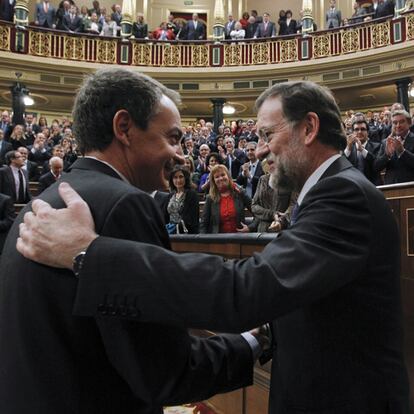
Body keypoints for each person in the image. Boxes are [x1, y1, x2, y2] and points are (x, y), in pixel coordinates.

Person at [17, 80, 410, 414]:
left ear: (309, 128)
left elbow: (245, 289)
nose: (257, 150)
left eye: (266, 134)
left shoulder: (344, 195)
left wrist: (91, 253)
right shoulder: (329, 193)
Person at [0, 68, 259, 413]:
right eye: (172, 137)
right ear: (124, 128)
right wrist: (253, 342)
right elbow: (164, 370)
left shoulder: (42, 203)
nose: (181, 154)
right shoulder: (125, 205)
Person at [200, 164, 251, 233]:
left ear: (228, 176)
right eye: (217, 177)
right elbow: (204, 223)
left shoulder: (239, 193)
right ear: (213, 181)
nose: (220, 178)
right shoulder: (210, 198)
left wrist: (250, 227)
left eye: (223, 175)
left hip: (240, 239)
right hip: (217, 241)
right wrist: (203, 242)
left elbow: (256, 212)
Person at [374, 109, 414, 184]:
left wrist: (402, 152)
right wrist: (387, 155)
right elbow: (376, 167)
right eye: (395, 123)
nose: (398, 125)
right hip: (391, 188)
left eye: (401, 122)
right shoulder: (386, 142)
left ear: (409, 123)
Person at [166, 165, 199, 234]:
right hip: (170, 231)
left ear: (186, 178)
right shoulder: (170, 195)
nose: (178, 180)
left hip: (186, 233)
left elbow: (192, 219)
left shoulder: (192, 194)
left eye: (181, 177)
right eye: (175, 177)